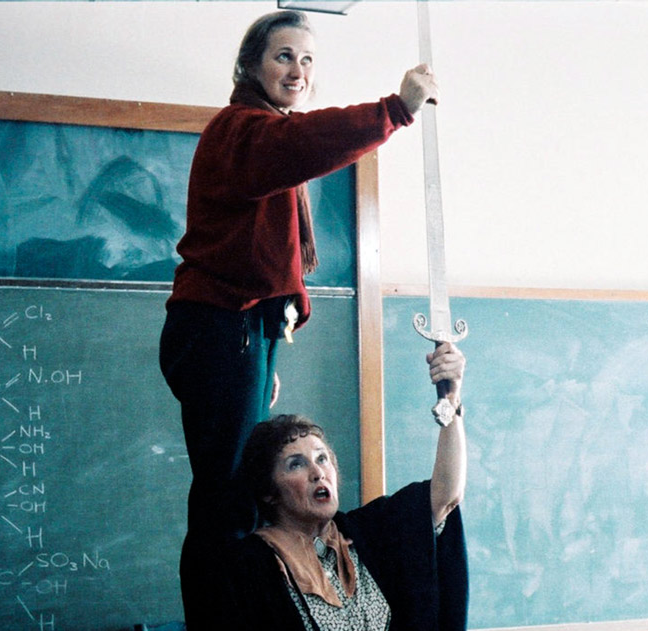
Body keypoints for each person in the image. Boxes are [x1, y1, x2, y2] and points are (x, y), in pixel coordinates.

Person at [159, 10, 439, 538]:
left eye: (307, 60)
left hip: (240, 329)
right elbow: (304, 144)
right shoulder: (243, 131)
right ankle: (226, 620)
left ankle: (235, 614)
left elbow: (260, 255)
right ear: (250, 66)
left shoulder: (260, 133)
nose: (298, 71)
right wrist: (396, 109)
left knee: (237, 493)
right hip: (221, 327)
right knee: (230, 497)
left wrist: (264, 345)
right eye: (284, 56)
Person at [180, 343, 479, 631]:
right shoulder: (243, 567)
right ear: (269, 491)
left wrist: (451, 400)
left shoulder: (364, 535)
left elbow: (446, 495)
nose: (318, 472)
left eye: (322, 459)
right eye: (296, 464)